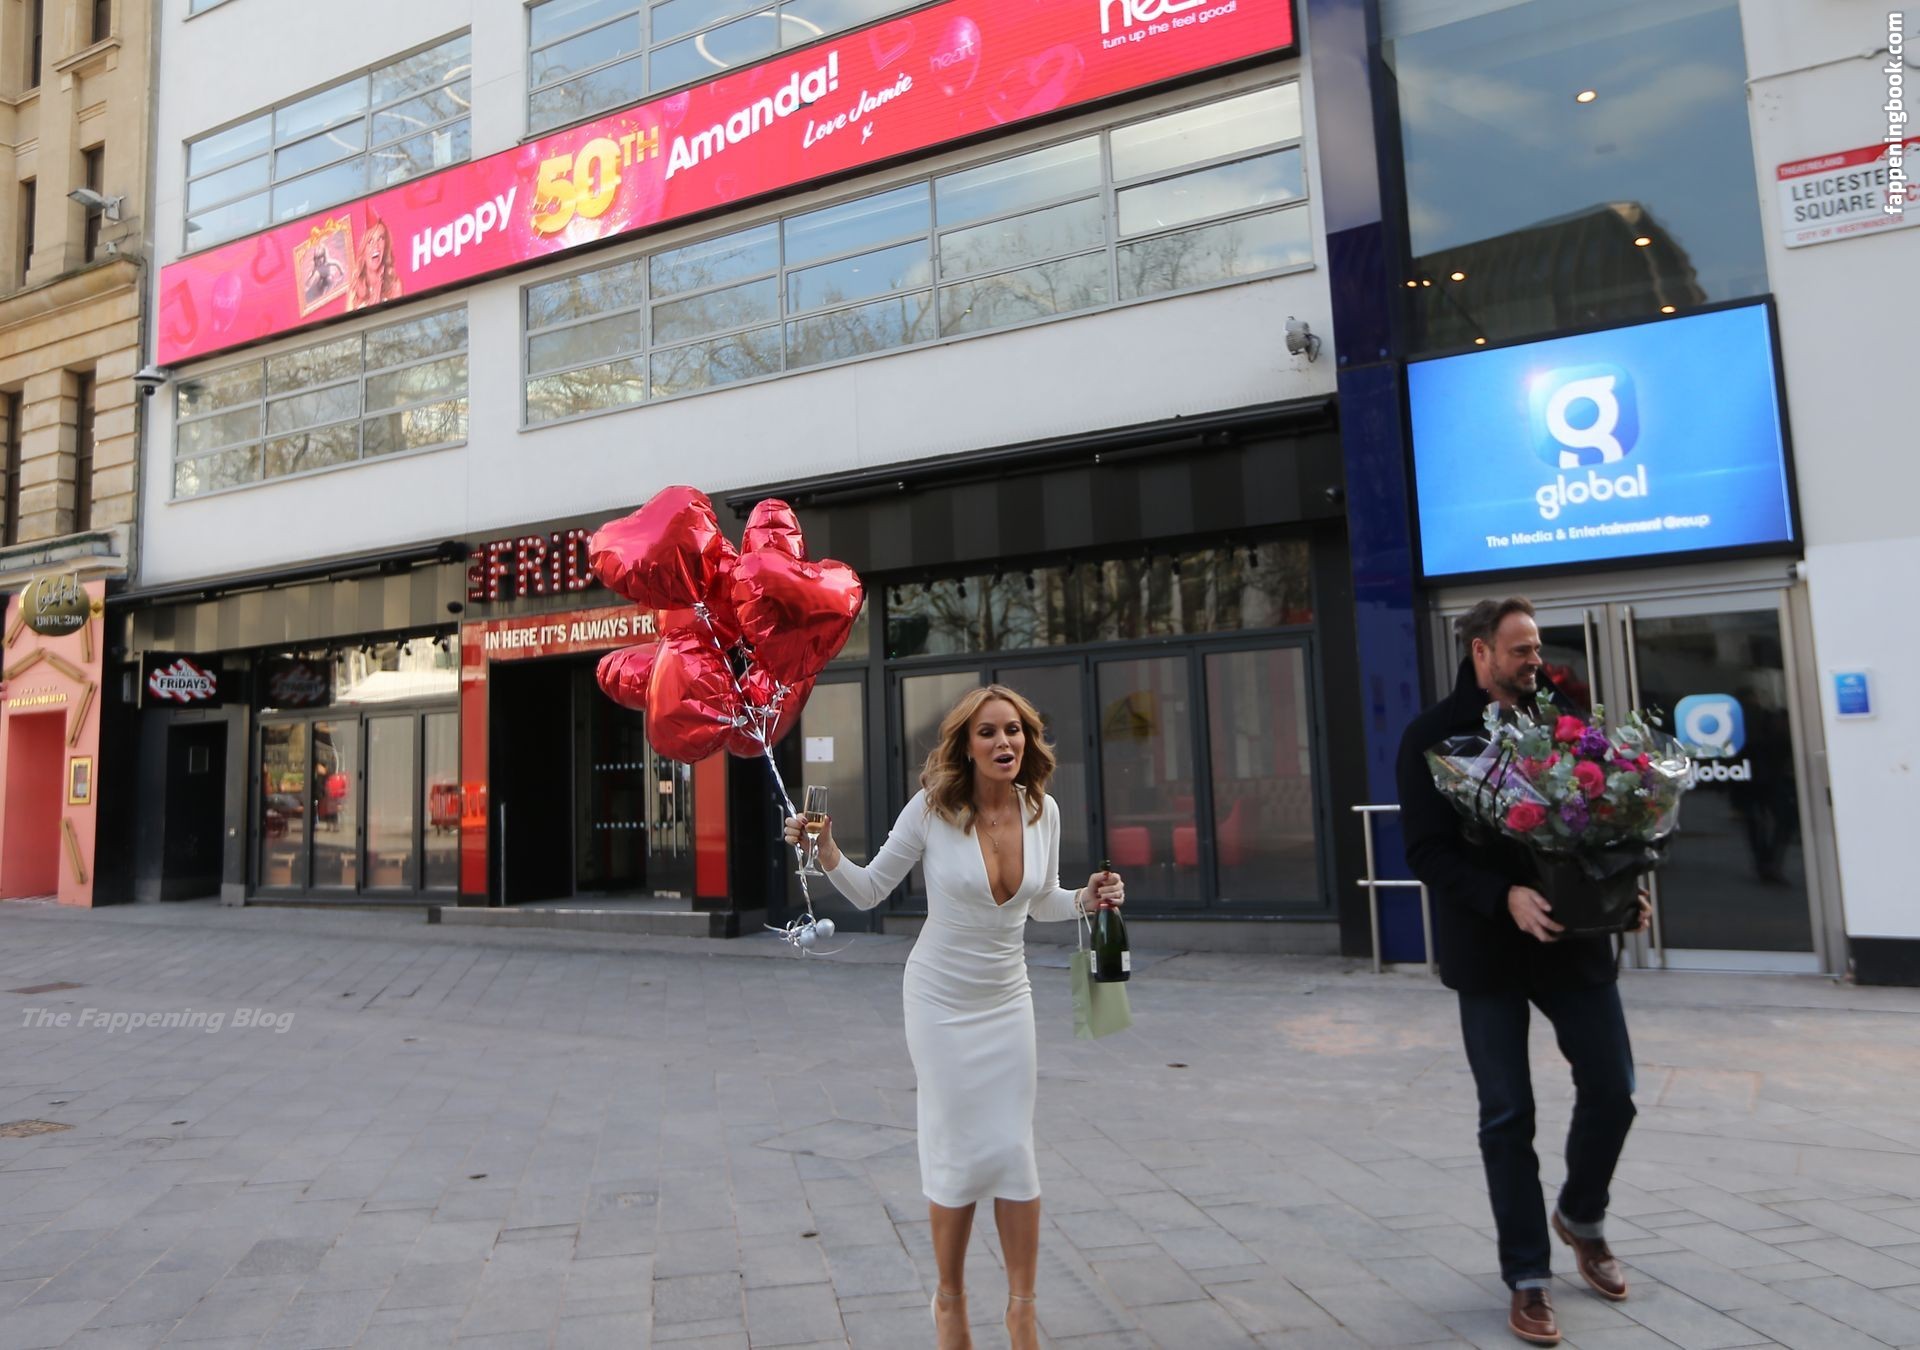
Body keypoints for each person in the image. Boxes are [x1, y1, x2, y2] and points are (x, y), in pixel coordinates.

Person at [785, 684, 1123, 1350]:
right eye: (988, 732)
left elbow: (1042, 903)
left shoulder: (1043, 810)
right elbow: (870, 890)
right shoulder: (931, 810)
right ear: (965, 747)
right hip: (939, 1001)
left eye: (1014, 730)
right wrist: (826, 850)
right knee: (956, 1153)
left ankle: (1021, 1309)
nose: (1004, 742)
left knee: (1014, 1151)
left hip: (1008, 1000)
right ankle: (950, 1299)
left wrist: (1086, 897)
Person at [1395, 597, 1651, 1347]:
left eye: (1537, 648)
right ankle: (1528, 1276)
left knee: (1614, 1090)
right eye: (1521, 649)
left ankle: (1582, 1218)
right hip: (1489, 950)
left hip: (1573, 942)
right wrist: (1501, 895)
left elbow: (1600, 829)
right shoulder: (1430, 736)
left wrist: (1621, 894)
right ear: (1480, 651)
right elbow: (1426, 851)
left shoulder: (1564, 722)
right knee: (1508, 1115)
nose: (1536, 660)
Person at [345, 209, 402, 312]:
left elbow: (400, 318)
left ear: (385, 245)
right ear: (363, 250)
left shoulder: (394, 285)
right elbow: (348, 321)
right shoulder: (354, 288)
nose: (376, 246)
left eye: (380, 238)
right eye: (370, 241)